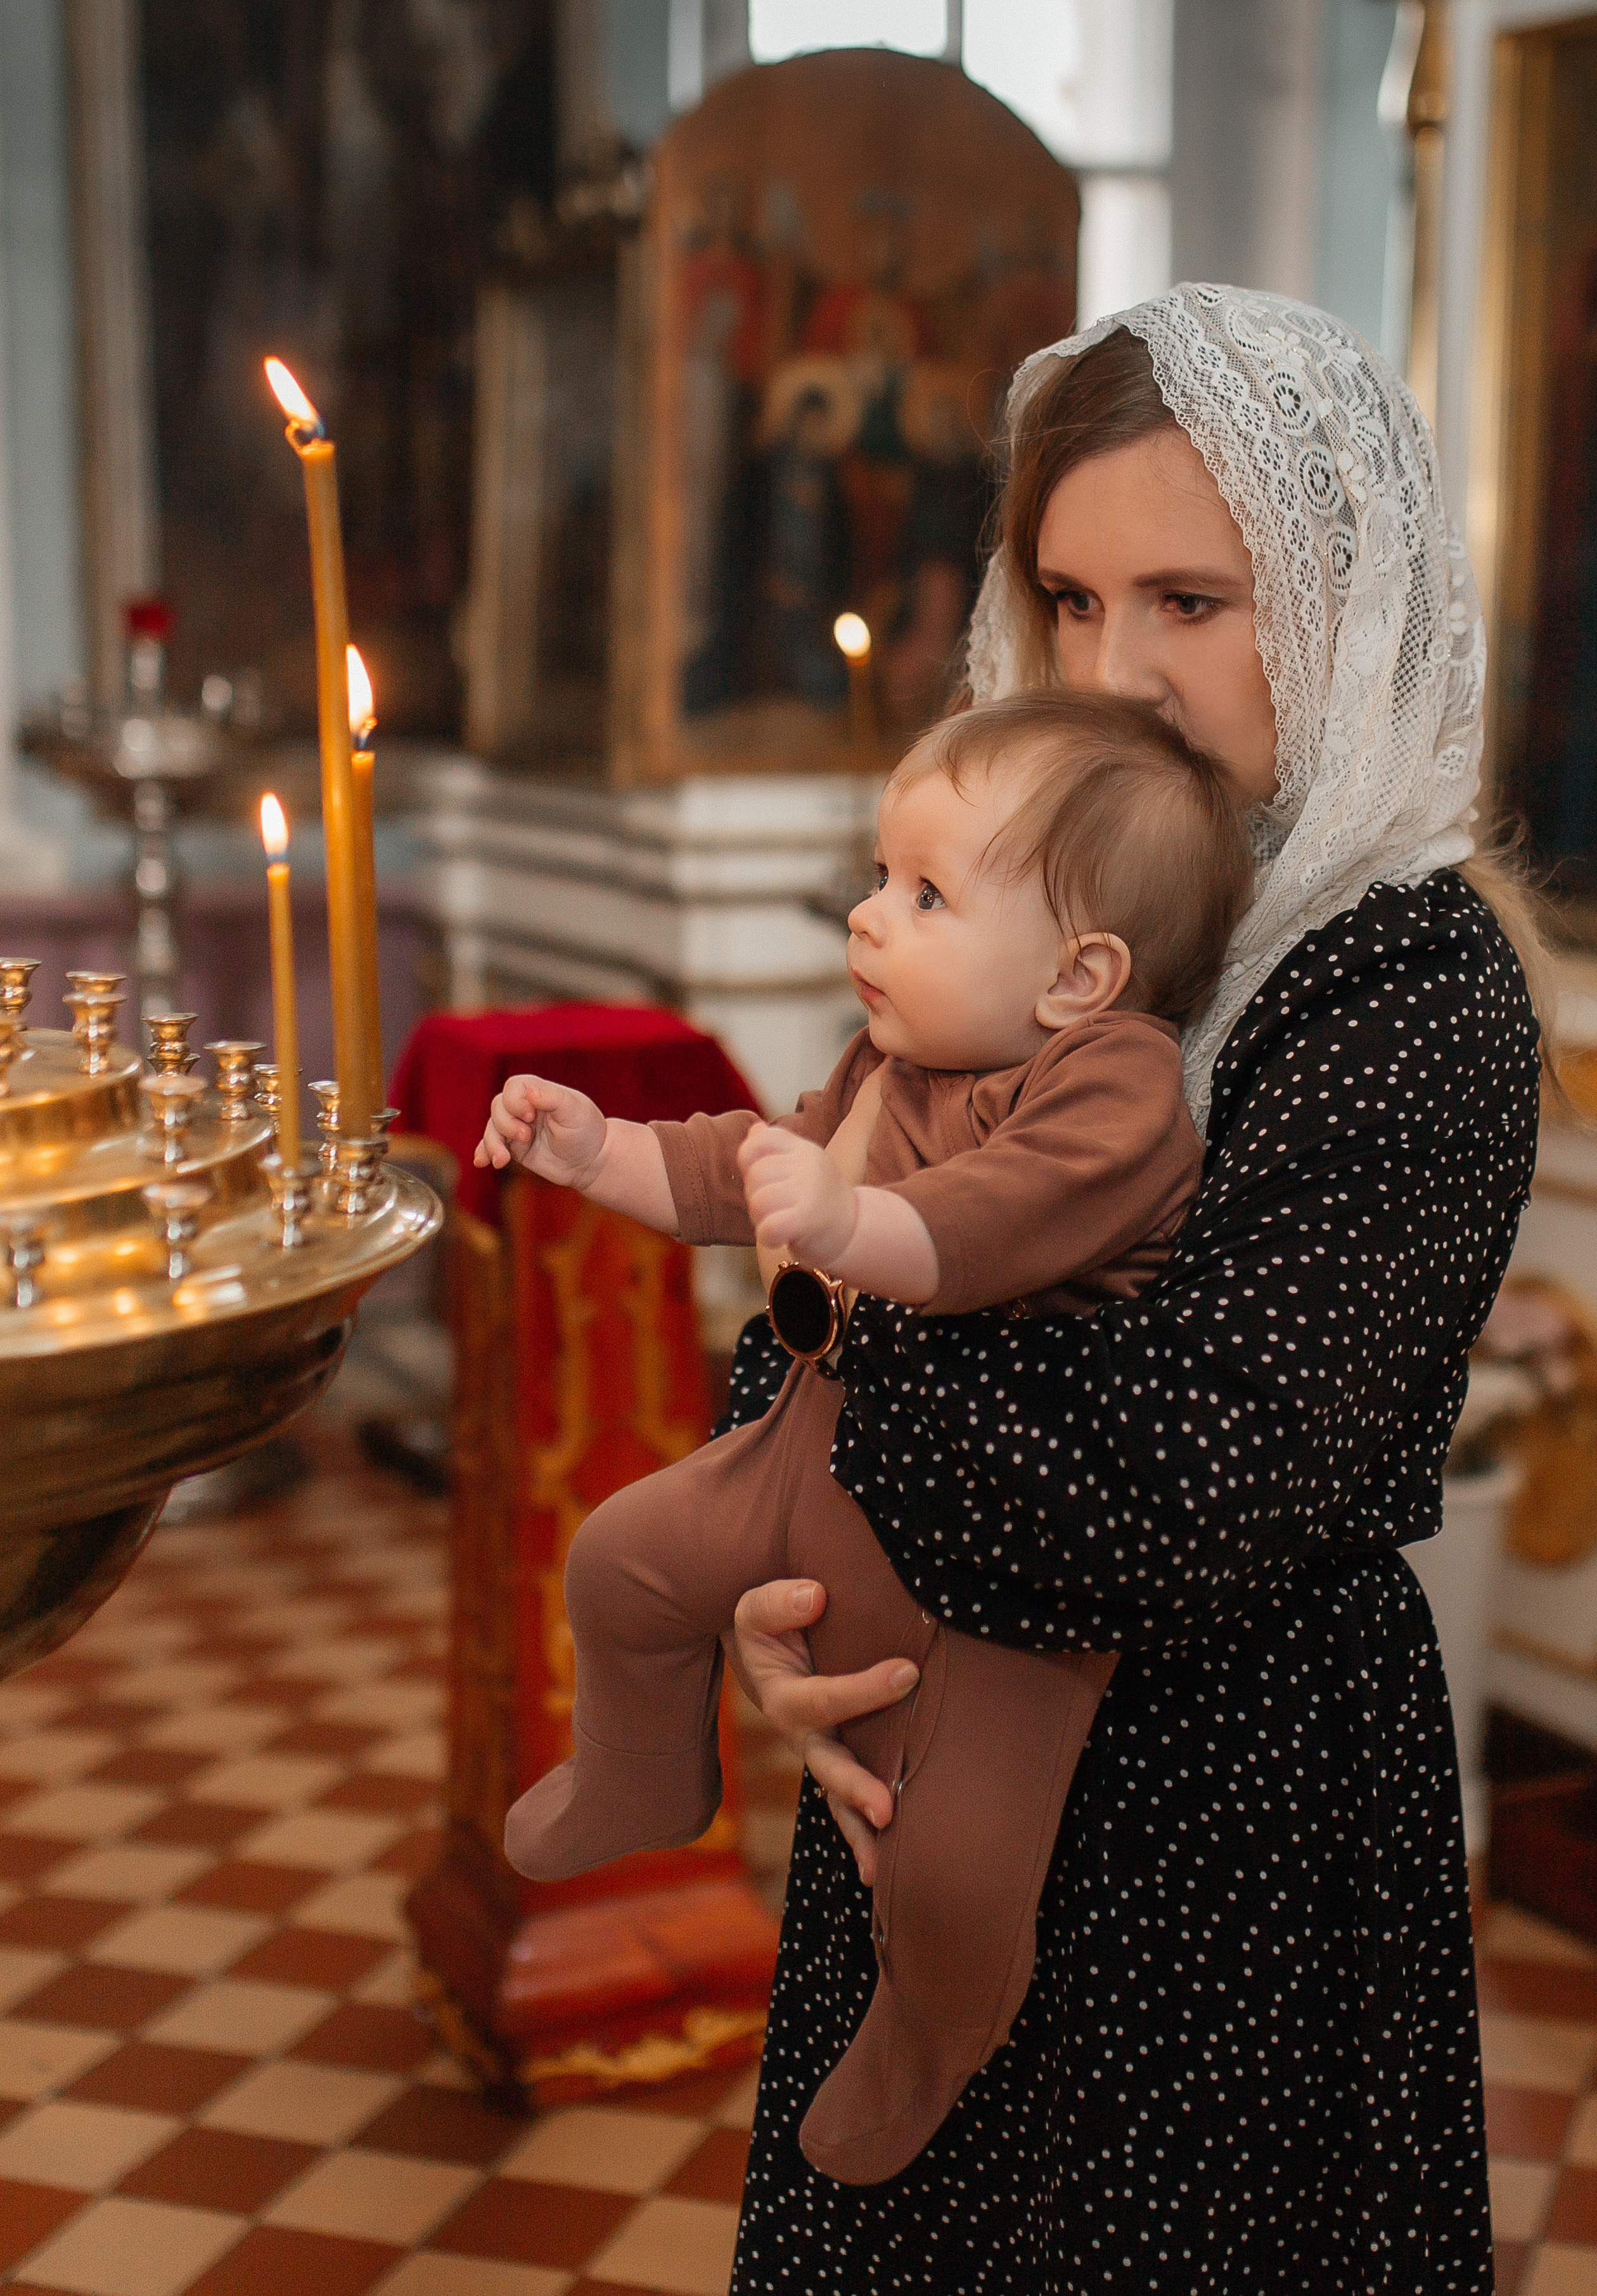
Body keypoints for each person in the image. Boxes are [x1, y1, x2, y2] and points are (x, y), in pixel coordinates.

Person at [719, 286, 1549, 2293]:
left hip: (1219, 1855)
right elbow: (788, 1344)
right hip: (923, 1785)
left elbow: (1182, 1492)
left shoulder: (1410, 990)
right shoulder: (1035, 932)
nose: (1118, 673)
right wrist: (767, 1583)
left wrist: (849, 1317)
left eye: (1192, 598)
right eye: (1072, 602)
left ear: (1345, 605)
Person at [479, 691, 1252, 2185]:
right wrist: (606, 1153)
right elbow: (749, 1163)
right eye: (877, 878)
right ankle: (645, 1771)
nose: (867, 918)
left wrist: (850, 1221)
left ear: (1081, 975)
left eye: (925, 895)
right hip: (812, 1445)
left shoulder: (1120, 1083)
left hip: (996, 1550)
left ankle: (935, 2027)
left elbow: (991, 1221)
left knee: (957, 1866)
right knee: (624, 1559)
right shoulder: (888, 1065)